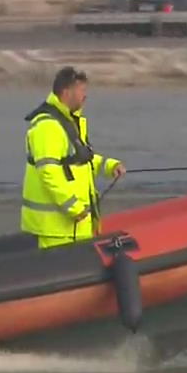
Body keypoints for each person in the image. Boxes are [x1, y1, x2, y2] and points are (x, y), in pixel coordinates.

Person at [21, 66, 126, 249]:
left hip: (75, 226)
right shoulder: (48, 126)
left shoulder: (70, 121)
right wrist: (74, 208)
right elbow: (49, 173)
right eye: (82, 90)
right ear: (66, 92)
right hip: (56, 228)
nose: (85, 96)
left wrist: (110, 166)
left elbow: (81, 159)